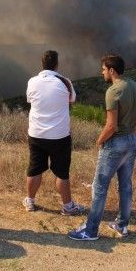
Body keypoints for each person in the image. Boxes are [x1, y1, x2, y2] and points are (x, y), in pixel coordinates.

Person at [68, 54, 136, 241]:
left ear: (112, 70)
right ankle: (122, 225)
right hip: (131, 142)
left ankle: (90, 230)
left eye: (104, 69)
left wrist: (99, 140)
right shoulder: (133, 85)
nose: (102, 73)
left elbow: (111, 126)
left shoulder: (113, 91)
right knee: (125, 186)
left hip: (115, 144)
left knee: (100, 186)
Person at [24, 50, 85, 215]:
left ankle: (30, 201)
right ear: (57, 64)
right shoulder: (65, 82)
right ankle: (67, 206)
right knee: (62, 173)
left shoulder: (32, 81)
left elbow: (29, 99)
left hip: (36, 134)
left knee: (34, 169)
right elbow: (72, 100)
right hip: (59, 135)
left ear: (42, 63)